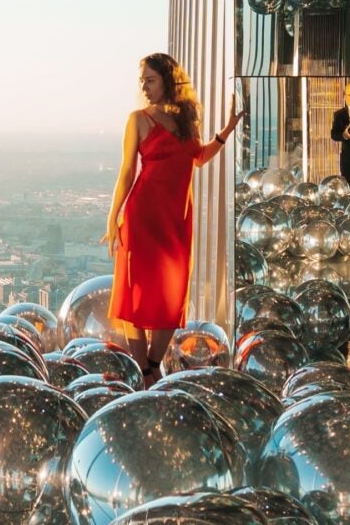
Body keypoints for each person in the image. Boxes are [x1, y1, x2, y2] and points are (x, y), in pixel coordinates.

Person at [101, 53, 243, 387]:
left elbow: (199, 158)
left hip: (176, 222)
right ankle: (146, 374)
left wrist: (226, 130)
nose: (145, 87)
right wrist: (113, 217)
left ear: (168, 79)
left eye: (151, 79)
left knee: (171, 294)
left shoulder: (185, 118)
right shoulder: (138, 119)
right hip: (141, 218)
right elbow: (126, 173)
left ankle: (151, 365)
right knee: (134, 296)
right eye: (143, 81)